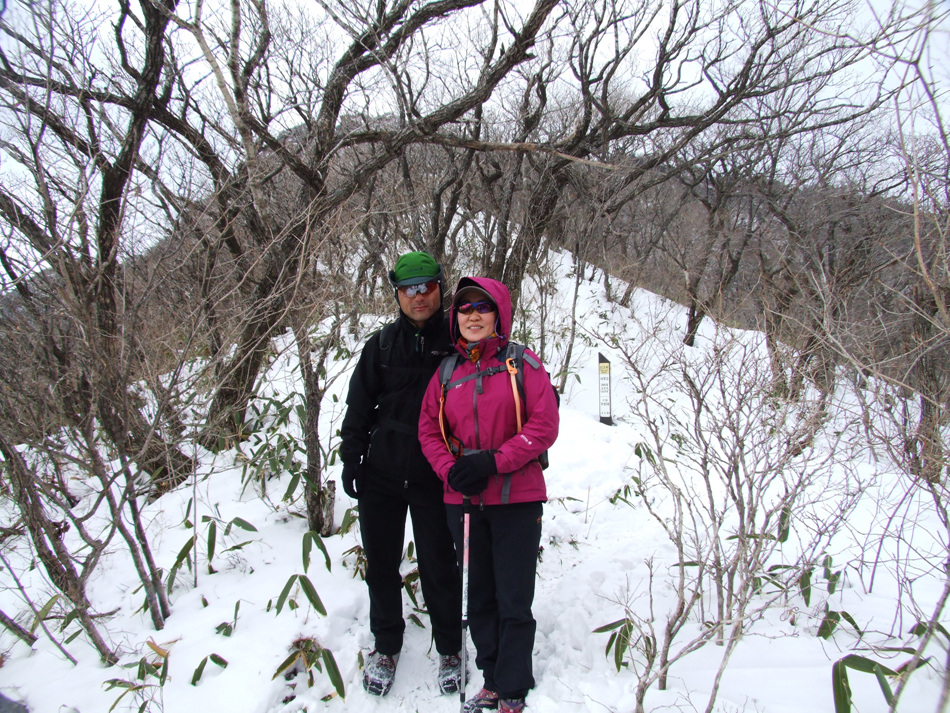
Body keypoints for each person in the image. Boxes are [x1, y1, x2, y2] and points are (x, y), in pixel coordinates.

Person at [418, 277, 560, 713]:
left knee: (513, 596)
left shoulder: (523, 363)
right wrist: (451, 470)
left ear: (499, 313)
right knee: (477, 593)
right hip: (463, 500)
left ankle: (513, 686)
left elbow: (544, 425)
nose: (473, 315)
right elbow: (428, 431)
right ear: (455, 318)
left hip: (516, 497)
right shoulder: (446, 373)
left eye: (482, 306)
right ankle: (492, 678)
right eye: (464, 308)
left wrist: (494, 462)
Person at [339, 251, 464, 697]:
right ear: (396, 294)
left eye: (427, 287)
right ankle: (386, 645)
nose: (419, 297)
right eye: (409, 289)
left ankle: (450, 647)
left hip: (435, 473)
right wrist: (351, 457)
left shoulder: (457, 340)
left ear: (439, 289)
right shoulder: (381, 346)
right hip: (383, 473)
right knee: (383, 565)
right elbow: (359, 404)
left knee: (439, 566)